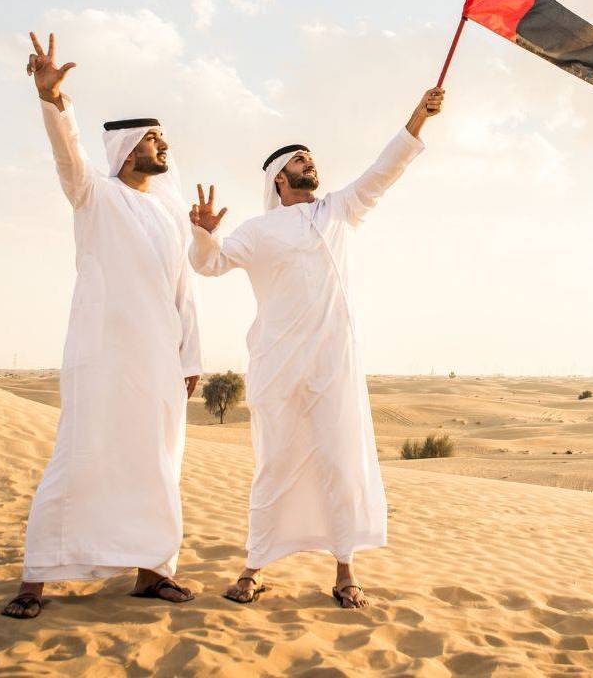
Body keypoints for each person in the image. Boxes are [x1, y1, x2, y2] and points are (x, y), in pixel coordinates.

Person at [188, 87, 444, 609]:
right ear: (279, 178)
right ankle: (253, 568)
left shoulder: (338, 211)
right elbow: (208, 266)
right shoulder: (258, 230)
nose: (312, 165)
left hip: (334, 365)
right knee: (274, 463)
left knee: (340, 461)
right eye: (301, 161)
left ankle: (345, 572)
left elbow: (383, 172)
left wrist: (417, 118)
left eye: (311, 159)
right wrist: (203, 235)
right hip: (277, 366)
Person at [2, 32, 203, 620]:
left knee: (160, 464)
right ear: (127, 149)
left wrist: (190, 357)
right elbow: (69, 157)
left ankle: (153, 572)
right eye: (152, 140)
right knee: (81, 457)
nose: (162, 148)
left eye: (164, 140)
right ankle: (37, 577)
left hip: (160, 360)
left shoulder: (168, 212)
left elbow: (182, 293)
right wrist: (54, 102)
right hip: (103, 356)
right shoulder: (95, 195)